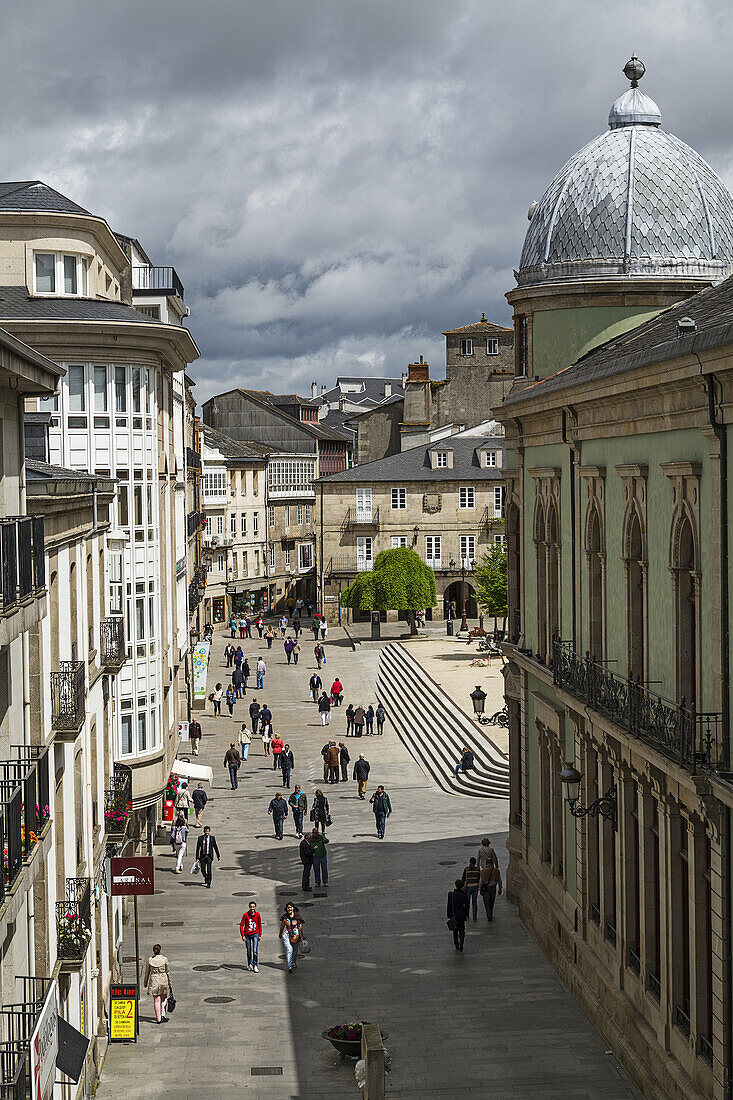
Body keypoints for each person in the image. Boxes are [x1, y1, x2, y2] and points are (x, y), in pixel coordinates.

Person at [144, 944, 172, 1024]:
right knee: (164, 998)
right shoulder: (164, 959)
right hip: (163, 979)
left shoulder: (150, 960)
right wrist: (170, 983)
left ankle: (158, 1018)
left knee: (156, 1000)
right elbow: (168, 972)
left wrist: (145, 982)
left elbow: (147, 973)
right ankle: (163, 1014)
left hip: (154, 980)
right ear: (160, 950)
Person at [447, 879, 469, 951]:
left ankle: (456, 944)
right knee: (462, 929)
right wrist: (466, 914)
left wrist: (448, 914)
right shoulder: (464, 895)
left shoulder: (451, 895)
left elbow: (449, 906)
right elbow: (467, 906)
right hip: (461, 915)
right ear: (462, 886)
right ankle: (462, 942)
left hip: (453, 914)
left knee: (455, 930)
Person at [280, 902, 303, 974]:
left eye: (290, 907)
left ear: (293, 908)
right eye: (288, 908)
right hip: (286, 935)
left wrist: (302, 935)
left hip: (296, 936)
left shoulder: (297, 916)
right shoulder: (285, 917)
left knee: (295, 950)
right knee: (289, 949)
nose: (289, 909)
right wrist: (280, 933)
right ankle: (289, 965)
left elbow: (300, 926)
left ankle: (293, 962)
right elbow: (282, 926)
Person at [240, 902, 262, 972]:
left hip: (255, 933)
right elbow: (241, 925)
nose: (252, 908)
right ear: (249, 907)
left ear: (255, 907)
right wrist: (243, 935)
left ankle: (255, 965)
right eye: (251, 907)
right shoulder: (245, 915)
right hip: (247, 934)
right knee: (249, 950)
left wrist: (260, 934)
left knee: (255, 950)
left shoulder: (257, 915)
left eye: (253, 907)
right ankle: (250, 964)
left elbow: (259, 924)